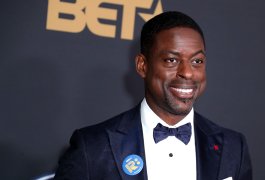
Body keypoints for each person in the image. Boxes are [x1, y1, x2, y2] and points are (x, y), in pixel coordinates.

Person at [54, 11, 252, 180]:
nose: (188, 72)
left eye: (197, 61)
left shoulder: (233, 147)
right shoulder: (92, 147)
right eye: (172, 60)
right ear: (143, 66)